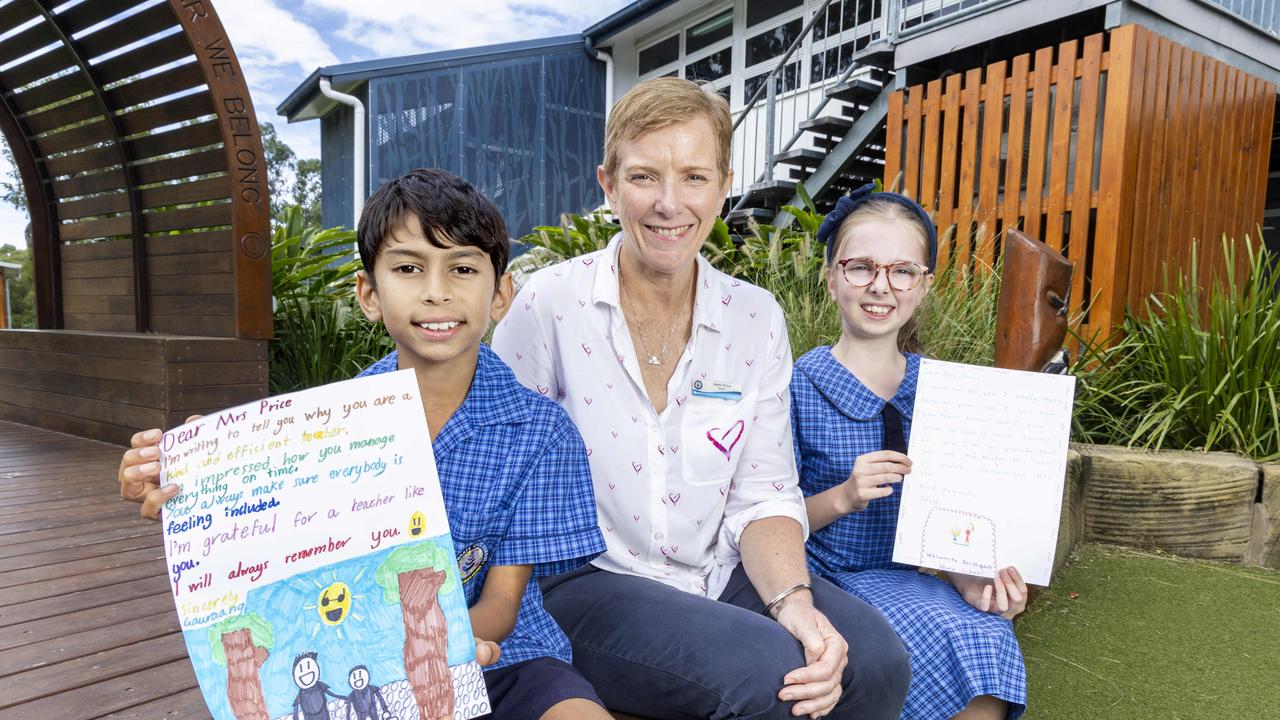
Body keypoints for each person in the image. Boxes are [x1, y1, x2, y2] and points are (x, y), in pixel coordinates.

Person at [119, 169, 612, 720]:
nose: (436, 290)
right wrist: (187, 476)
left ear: (500, 294)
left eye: (464, 268)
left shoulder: (541, 431)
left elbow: (501, 605)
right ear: (370, 294)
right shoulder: (323, 429)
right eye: (407, 268)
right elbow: (255, 530)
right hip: (354, 679)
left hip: (503, 661)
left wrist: (432, 656)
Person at [491, 77, 910, 719]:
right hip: (586, 579)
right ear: (607, 184)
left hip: (718, 565)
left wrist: (795, 601)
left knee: (875, 659)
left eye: (693, 177)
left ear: (723, 185)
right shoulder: (549, 304)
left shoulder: (754, 317)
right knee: (770, 672)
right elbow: (500, 479)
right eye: (643, 177)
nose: (668, 203)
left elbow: (764, 493)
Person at [790, 183, 1029, 720]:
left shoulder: (947, 393)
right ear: (831, 278)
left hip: (916, 577)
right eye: (861, 267)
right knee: (914, 635)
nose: (881, 286)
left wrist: (972, 575)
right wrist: (844, 496)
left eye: (901, 271)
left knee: (987, 630)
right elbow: (766, 519)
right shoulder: (797, 385)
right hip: (825, 577)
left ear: (923, 286)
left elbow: (962, 517)